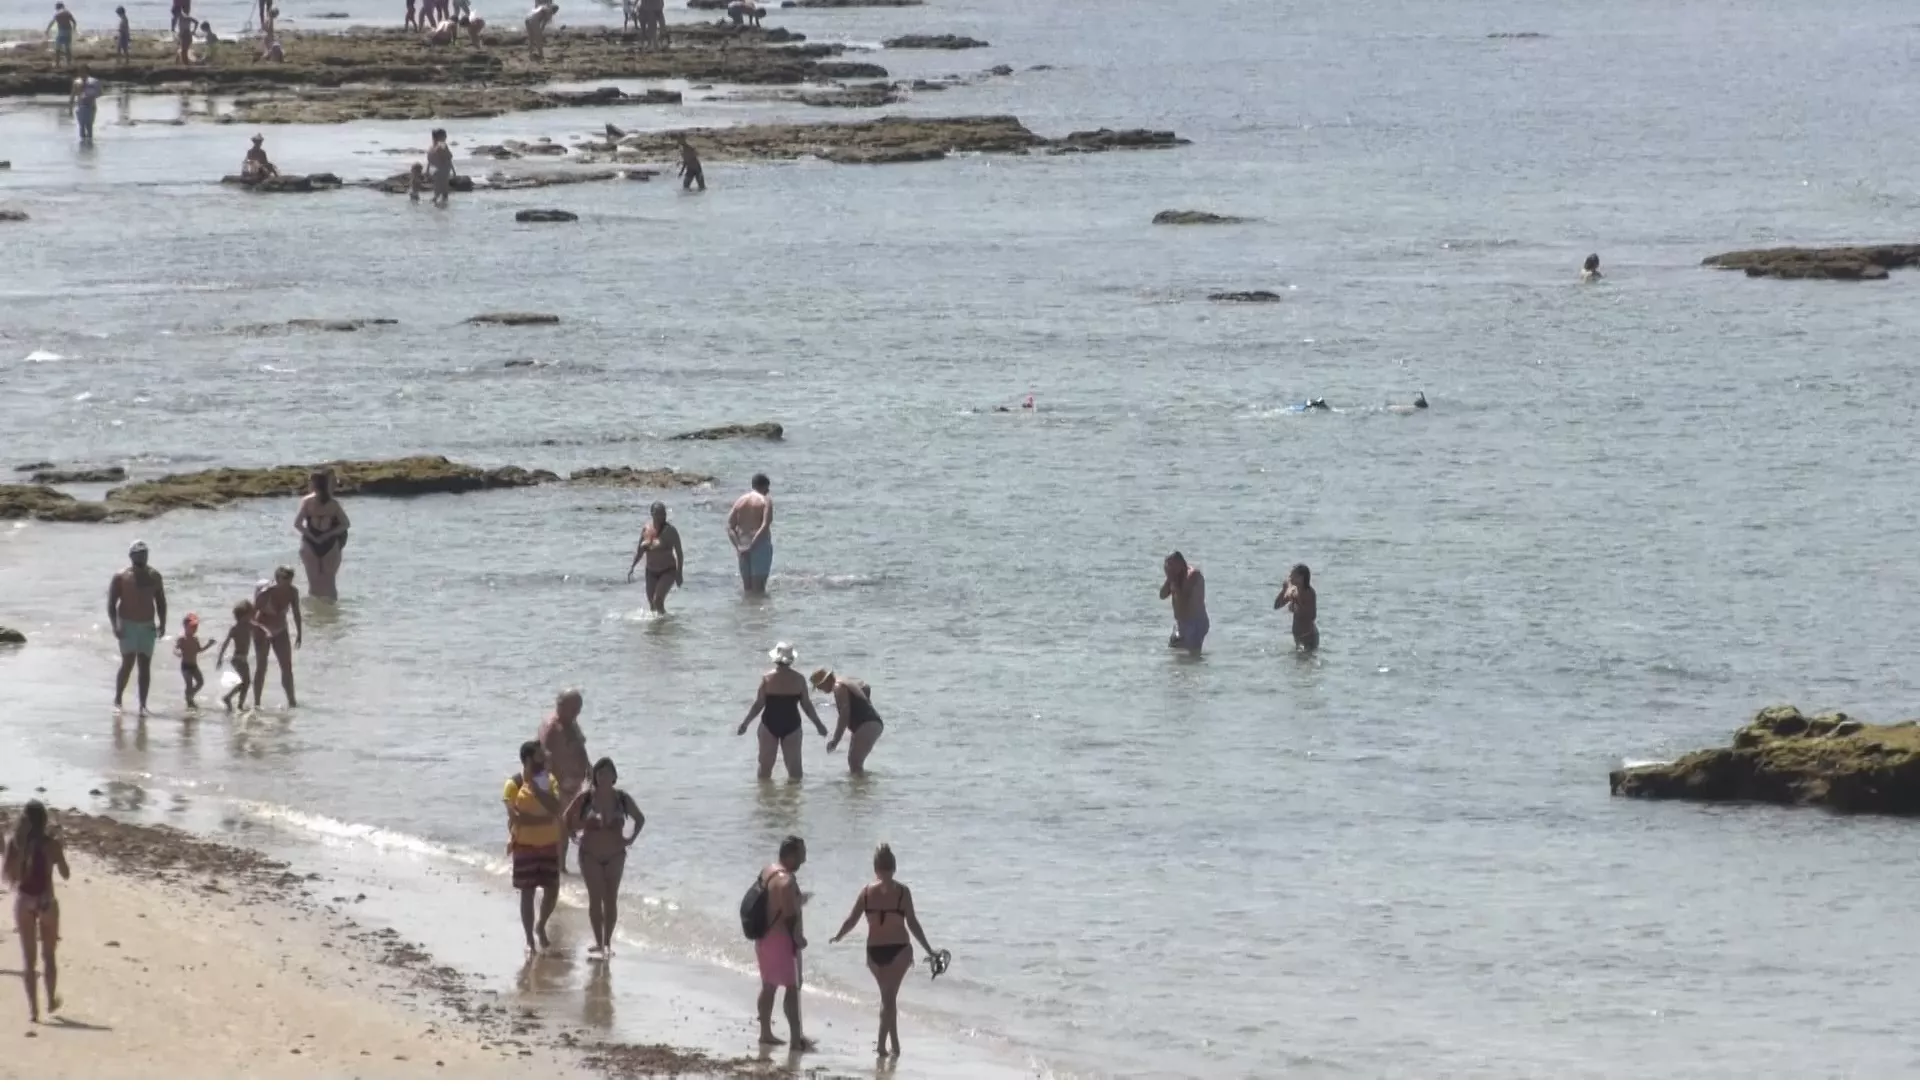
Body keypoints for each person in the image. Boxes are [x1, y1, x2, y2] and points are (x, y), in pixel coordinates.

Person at [830, 844, 938, 1057]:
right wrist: (929, 949)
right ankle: (882, 1045)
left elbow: (851, 920)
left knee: (888, 999)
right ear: (894, 867)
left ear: (875, 867)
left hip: (874, 952)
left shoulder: (866, 892)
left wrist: (839, 936)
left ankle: (895, 1046)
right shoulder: (903, 892)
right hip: (900, 950)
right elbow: (913, 924)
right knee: (889, 999)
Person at [563, 757, 643, 959]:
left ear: (615, 776)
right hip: (590, 855)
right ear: (596, 777)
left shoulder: (622, 799)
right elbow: (566, 818)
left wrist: (630, 838)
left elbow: (640, 819)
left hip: (616, 855)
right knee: (595, 899)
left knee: (611, 899)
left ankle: (607, 943)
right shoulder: (586, 799)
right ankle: (598, 942)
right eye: (600, 773)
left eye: (608, 773)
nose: (604, 776)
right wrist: (574, 835)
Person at [5, 801, 70, 1023]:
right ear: (44, 821)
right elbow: (66, 874)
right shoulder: (51, 844)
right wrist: (60, 852)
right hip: (47, 902)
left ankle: (34, 1011)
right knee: (49, 956)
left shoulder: (15, 843)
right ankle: (51, 1000)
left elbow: (9, 877)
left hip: (24, 902)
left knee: (28, 960)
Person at [504, 740, 563, 952]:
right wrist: (545, 818)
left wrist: (537, 792)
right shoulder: (513, 784)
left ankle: (541, 925)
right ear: (529, 759)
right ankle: (529, 939)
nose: (545, 758)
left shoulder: (550, 780)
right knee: (527, 892)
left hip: (549, 844)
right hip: (524, 846)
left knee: (553, 889)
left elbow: (557, 807)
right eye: (540, 756)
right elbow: (516, 819)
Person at [736, 642, 828, 780]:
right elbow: (807, 706)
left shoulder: (767, 678)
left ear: (776, 658)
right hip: (792, 725)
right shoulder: (799, 679)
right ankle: (792, 799)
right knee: (795, 771)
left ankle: (766, 799)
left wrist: (745, 724)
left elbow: (758, 704)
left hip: (769, 724)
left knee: (765, 769)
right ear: (791, 659)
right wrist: (819, 725)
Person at [753, 836, 812, 1050]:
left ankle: (765, 1033)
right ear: (790, 855)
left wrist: (798, 899)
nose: (804, 860)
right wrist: (798, 938)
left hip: (763, 937)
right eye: (801, 855)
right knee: (792, 989)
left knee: (768, 986)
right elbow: (789, 916)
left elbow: (773, 901)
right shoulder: (787, 881)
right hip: (780, 941)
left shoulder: (768, 871)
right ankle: (796, 1040)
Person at [108, 541, 168, 715]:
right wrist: (115, 625)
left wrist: (163, 623)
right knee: (127, 663)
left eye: (145, 553)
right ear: (131, 556)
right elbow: (111, 603)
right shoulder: (121, 576)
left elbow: (161, 601)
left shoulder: (154, 576)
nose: (142, 556)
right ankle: (118, 699)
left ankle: (142, 705)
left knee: (145, 665)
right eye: (139, 553)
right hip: (127, 624)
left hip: (147, 625)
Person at [540, 689, 591, 873]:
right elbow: (543, 757)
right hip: (559, 785)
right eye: (574, 707)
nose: (578, 711)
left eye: (579, 707)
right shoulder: (552, 727)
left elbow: (581, 747)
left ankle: (562, 867)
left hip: (575, 785)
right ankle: (557, 868)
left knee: (571, 826)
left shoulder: (571, 722)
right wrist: (548, 788)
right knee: (561, 828)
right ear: (560, 706)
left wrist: (589, 768)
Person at [809, 667, 883, 774]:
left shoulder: (838, 687)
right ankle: (862, 788)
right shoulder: (844, 681)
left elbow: (844, 715)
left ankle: (861, 789)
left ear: (826, 680)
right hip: (869, 723)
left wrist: (836, 740)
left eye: (820, 686)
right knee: (854, 763)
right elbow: (866, 687)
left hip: (867, 724)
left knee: (855, 763)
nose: (820, 690)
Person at [250, 566, 302, 709]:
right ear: (277, 578)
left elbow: (296, 612)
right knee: (261, 667)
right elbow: (252, 616)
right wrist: (260, 630)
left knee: (287, 667)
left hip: (280, 629)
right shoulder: (265, 593)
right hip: (262, 629)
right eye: (285, 578)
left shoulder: (293, 592)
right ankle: (257, 704)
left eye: (291, 578)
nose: (288, 582)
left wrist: (299, 633)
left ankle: (292, 702)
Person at [294, 469, 349, 599]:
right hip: (329, 543)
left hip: (310, 543)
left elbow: (298, 524)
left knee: (313, 584)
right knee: (329, 584)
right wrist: (327, 535)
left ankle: (314, 616)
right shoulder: (333, 504)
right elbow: (345, 524)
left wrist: (313, 537)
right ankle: (332, 616)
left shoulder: (307, 501)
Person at [627, 501, 684, 613]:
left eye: (663, 513)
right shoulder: (646, 529)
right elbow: (640, 550)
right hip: (651, 572)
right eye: (658, 514)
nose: (661, 516)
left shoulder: (671, 531)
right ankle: (659, 628)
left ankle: (665, 625)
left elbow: (679, 553)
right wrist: (632, 567)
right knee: (652, 605)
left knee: (658, 601)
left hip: (667, 571)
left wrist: (679, 573)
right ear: (652, 513)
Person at [727, 473, 772, 594]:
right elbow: (765, 524)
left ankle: (747, 611)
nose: (768, 491)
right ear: (763, 486)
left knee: (748, 590)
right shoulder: (765, 501)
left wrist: (738, 547)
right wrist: (753, 545)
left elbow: (729, 527)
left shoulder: (740, 501)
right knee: (759, 590)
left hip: (742, 546)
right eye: (767, 488)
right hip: (760, 546)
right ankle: (758, 612)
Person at [1159, 551, 1208, 653]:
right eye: (1167, 567)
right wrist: (1169, 579)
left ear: (1180, 564)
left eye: (1171, 566)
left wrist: (1174, 584)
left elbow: (1183, 601)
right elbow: (1162, 595)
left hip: (1195, 622)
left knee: (1192, 657)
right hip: (1181, 623)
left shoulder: (1193, 576)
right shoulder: (1174, 577)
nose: (1169, 569)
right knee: (1174, 653)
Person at [214, 600, 254, 711]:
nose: (252, 616)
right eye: (250, 614)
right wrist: (219, 658)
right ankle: (234, 701)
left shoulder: (249, 626)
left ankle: (234, 701)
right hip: (238, 659)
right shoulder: (235, 629)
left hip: (242, 659)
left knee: (246, 682)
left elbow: (260, 631)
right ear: (243, 616)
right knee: (246, 682)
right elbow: (225, 644)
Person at [1273, 563, 1318, 651]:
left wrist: (1298, 605)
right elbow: (1276, 605)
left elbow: (1312, 616)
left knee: (1308, 662)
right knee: (1297, 663)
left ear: (1301, 578)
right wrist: (1283, 591)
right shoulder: (1293, 590)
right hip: (1298, 637)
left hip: (1309, 636)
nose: (1290, 577)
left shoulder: (1309, 593)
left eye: (1292, 575)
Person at [174, 614, 214, 708]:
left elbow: (199, 650)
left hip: (194, 666)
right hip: (185, 666)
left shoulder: (195, 639)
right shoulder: (182, 639)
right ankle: (189, 701)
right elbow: (175, 649)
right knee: (189, 683)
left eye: (196, 627)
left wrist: (209, 644)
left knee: (200, 682)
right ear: (185, 626)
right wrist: (178, 652)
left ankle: (189, 696)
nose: (195, 628)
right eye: (192, 627)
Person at [70, 67, 100, 142]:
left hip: (91, 107)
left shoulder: (94, 82)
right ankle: (82, 147)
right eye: (80, 72)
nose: (82, 74)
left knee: (89, 127)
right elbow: (73, 95)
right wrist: (70, 109)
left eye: (83, 72)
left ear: (87, 72)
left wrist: (91, 94)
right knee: (82, 127)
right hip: (81, 107)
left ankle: (90, 146)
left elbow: (99, 93)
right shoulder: (77, 82)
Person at [427, 127, 454, 207]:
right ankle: (441, 211)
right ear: (440, 136)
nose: (446, 137)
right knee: (443, 193)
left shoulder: (431, 147)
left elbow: (430, 160)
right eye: (445, 136)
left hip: (435, 171)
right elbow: (449, 157)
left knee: (437, 191)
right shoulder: (441, 145)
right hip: (442, 171)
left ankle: (436, 209)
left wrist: (427, 170)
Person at [47, 3, 76, 68]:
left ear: (57, 7)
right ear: (63, 6)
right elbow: (74, 22)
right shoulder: (67, 13)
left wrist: (47, 30)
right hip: (68, 31)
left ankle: (57, 64)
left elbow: (52, 22)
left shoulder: (57, 14)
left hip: (61, 31)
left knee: (57, 48)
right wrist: (74, 29)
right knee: (67, 48)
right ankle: (69, 63)